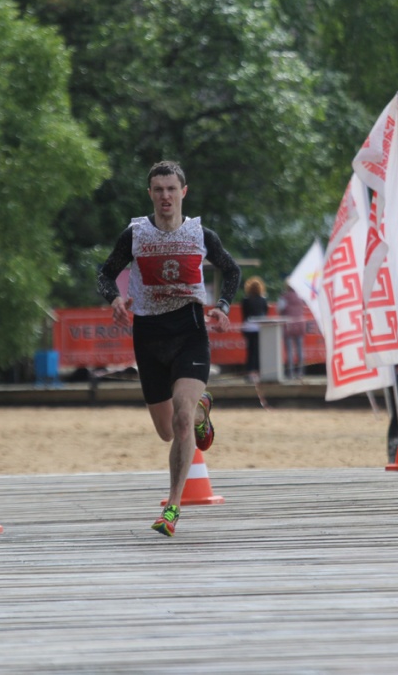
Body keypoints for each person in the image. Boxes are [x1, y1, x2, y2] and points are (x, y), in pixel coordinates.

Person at [97, 161, 240, 537]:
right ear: (150, 194)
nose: (165, 196)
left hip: (189, 332)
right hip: (148, 336)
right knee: (166, 431)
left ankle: (173, 507)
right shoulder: (135, 234)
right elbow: (105, 272)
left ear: (183, 192)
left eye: (171, 189)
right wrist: (114, 299)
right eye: (158, 189)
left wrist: (223, 307)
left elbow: (232, 270)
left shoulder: (200, 234)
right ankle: (200, 409)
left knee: (180, 418)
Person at [240, 276, 268, 383]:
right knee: (258, 351)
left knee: (250, 351)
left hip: (249, 327)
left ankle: (250, 372)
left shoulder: (245, 300)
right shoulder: (263, 299)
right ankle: (258, 372)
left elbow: (244, 314)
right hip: (260, 327)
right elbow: (265, 313)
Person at [277, 285, 305, 380]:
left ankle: (290, 373)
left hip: (288, 325)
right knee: (300, 349)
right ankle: (300, 373)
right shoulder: (301, 296)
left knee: (289, 350)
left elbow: (279, 309)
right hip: (300, 324)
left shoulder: (284, 297)